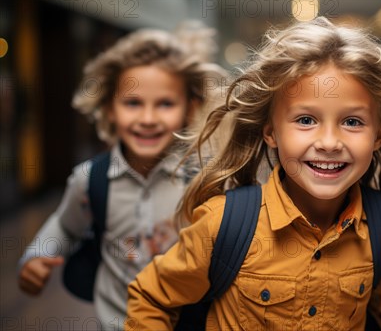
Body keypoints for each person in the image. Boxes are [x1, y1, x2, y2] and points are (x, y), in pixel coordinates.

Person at [126, 17, 381, 331]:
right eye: (306, 120)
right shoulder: (224, 225)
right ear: (271, 132)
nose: (329, 142)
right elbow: (151, 298)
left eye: (352, 122)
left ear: (378, 135)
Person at [17, 21, 226, 329]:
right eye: (132, 103)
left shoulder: (204, 178)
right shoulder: (91, 180)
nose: (148, 118)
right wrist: (36, 256)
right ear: (110, 108)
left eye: (165, 104)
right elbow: (64, 225)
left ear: (190, 109)